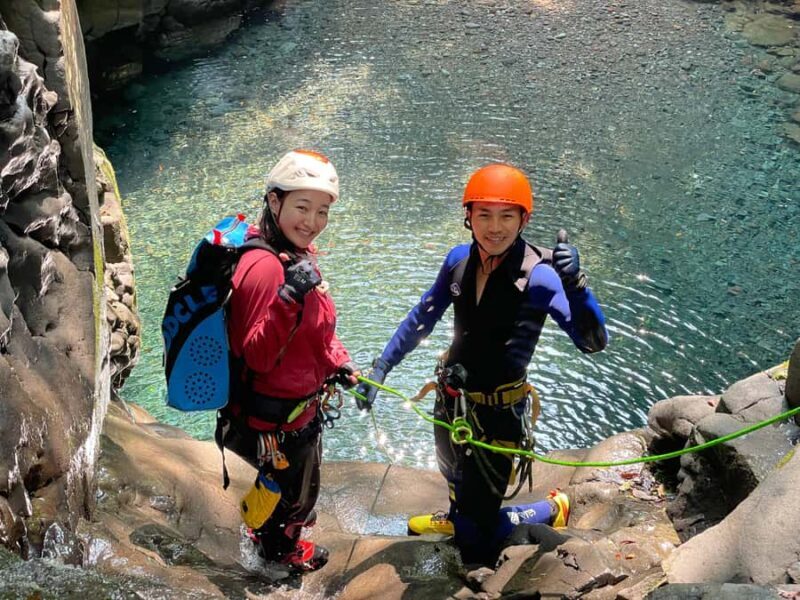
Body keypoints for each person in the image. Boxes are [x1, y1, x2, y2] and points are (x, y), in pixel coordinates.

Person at [356, 163, 608, 564]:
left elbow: (591, 342)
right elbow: (421, 318)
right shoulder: (458, 261)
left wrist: (577, 287)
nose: (495, 227)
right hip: (452, 399)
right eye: (484, 215)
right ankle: (462, 515)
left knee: (476, 543)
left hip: (498, 413)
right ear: (468, 217)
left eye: (507, 216)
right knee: (452, 476)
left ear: (524, 219)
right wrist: (381, 368)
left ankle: (546, 509)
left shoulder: (540, 277)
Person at [215, 149, 359, 574]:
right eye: (302, 207)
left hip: (295, 403)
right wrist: (286, 298)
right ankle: (280, 555)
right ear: (274, 202)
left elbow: (315, 332)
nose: (312, 221)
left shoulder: (297, 255)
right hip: (274, 415)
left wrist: (338, 362)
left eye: (322, 211)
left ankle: (270, 535)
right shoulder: (264, 269)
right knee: (293, 491)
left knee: (293, 484)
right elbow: (257, 355)